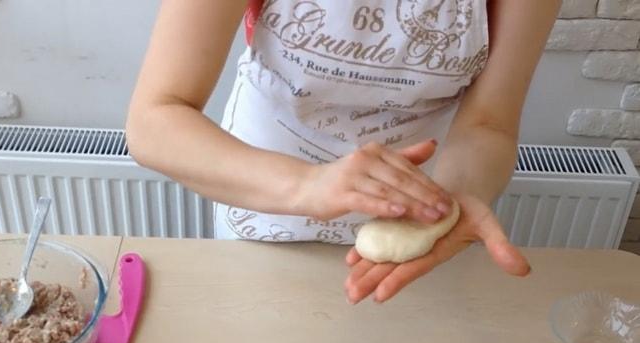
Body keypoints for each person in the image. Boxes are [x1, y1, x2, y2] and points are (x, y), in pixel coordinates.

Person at [126, 0, 559, 304]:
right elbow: (155, 119)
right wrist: (306, 184)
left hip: (417, 208)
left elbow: (490, 122)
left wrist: (454, 201)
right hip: (265, 192)